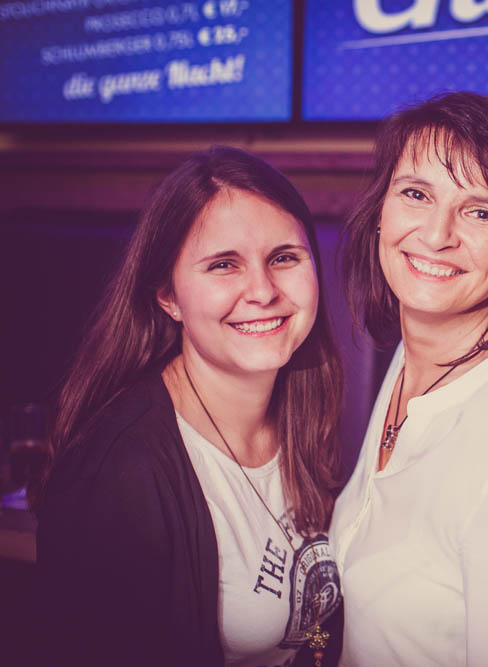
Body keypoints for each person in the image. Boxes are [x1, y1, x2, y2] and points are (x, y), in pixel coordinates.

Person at [32, 146, 345, 666]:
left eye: (283, 258)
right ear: (168, 296)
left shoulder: (307, 413)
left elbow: (316, 625)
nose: (263, 291)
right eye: (224, 265)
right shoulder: (120, 473)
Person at [335, 91, 488, 667]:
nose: (437, 234)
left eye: (481, 212)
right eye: (416, 194)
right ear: (381, 211)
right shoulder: (411, 359)